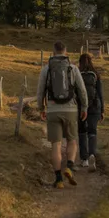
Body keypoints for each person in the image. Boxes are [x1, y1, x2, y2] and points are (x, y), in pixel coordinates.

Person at [37, 41, 88, 189]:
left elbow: (40, 92)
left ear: (53, 52)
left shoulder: (46, 69)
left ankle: (58, 179)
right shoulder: (73, 68)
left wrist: (41, 108)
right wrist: (84, 107)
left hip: (53, 110)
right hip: (71, 110)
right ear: (66, 52)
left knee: (56, 145)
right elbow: (82, 90)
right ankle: (70, 168)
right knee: (72, 141)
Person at [78, 53, 104, 172]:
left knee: (82, 132)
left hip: (81, 107)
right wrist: (102, 110)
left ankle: (84, 159)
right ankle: (92, 153)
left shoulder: (77, 74)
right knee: (92, 131)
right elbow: (100, 93)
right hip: (95, 106)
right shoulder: (96, 75)